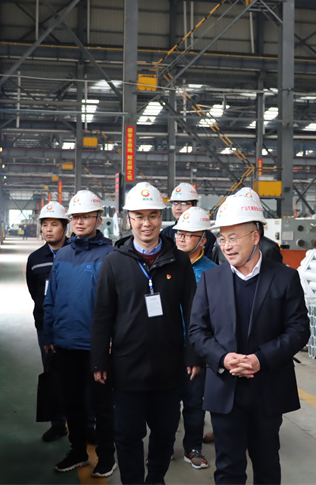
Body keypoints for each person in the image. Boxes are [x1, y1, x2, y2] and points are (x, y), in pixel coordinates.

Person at [188, 194, 310, 484]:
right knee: (228, 468)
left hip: (267, 387)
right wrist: (222, 358)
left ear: (255, 237)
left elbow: (298, 330)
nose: (226, 245)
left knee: (267, 465)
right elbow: (197, 331)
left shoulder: (284, 278)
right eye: (222, 238)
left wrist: (261, 359)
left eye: (233, 238)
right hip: (224, 388)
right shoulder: (211, 279)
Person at [91, 182, 199, 485]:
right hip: (127, 367)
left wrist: (193, 354)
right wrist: (99, 360)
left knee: (165, 433)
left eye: (152, 216)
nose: (146, 223)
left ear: (161, 218)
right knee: (127, 435)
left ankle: (156, 480)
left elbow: (193, 312)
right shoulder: (114, 262)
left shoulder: (179, 260)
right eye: (139, 216)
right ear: (129, 219)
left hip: (169, 366)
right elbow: (102, 315)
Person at [42, 191, 116, 476]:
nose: (80, 222)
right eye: (75, 217)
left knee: (102, 405)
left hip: (97, 346)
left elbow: (118, 304)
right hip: (65, 343)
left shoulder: (110, 256)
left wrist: (112, 340)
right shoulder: (62, 255)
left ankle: (107, 456)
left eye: (86, 216)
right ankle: (77, 451)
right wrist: (50, 335)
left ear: (98, 218)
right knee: (71, 402)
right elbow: (51, 298)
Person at [172, 207, 216, 470]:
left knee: (193, 402)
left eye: (189, 235)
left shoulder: (212, 272)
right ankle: (164, 446)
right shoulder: (164, 264)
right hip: (166, 346)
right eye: (179, 233)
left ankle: (193, 447)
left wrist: (200, 352)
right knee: (165, 403)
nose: (181, 238)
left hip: (196, 348)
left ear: (203, 240)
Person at [25, 201, 70, 443]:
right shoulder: (35, 259)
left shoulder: (77, 253)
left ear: (65, 227)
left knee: (81, 374)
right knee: (52, 374)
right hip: (46, 326)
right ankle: (58, 424)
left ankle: (87, 424)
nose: (49, 229)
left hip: (76, 324)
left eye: (54, 224)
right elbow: (35, 293)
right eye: (45, 225)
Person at [211, 187, 282, 266]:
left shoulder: (269, 248)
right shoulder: (219, 245)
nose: (227, 247)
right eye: (222, 239)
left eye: (233, 238)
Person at [161, 182, 217, 261]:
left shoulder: (208, 237)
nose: (178, 208)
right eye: (175, 203)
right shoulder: (165, 234)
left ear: (194, 205)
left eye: (183, 203)